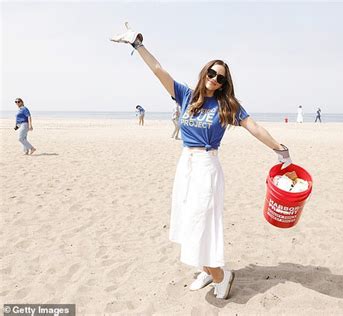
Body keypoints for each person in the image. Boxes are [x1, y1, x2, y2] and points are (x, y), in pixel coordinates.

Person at [111, 22, 293, 300]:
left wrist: (281, 151)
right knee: (187, 219)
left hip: (208, 166)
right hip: (186, 163)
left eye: (220, 78)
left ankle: (221, 274)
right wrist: (137, 44)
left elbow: (253, 126)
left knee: (200, 222)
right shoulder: (187, 95)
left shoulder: (227, 105)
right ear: (204, 72)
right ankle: (206, 270)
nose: (215, 79)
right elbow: (159, 70)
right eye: (212, 73)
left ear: (224, 83)